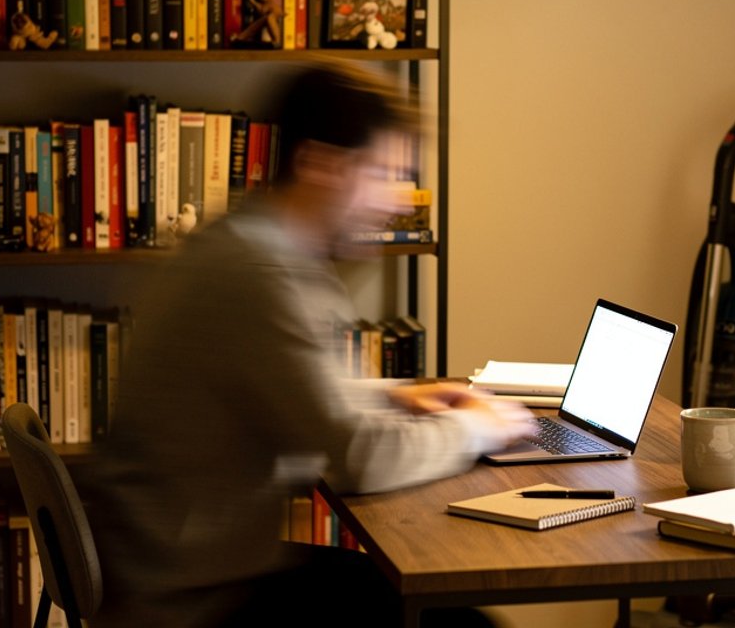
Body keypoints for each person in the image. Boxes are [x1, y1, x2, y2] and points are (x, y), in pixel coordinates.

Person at [85, 63, 534, 627]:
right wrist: (479, 427)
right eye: (379, 173)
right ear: (318, 164)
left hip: (176, 569)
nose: (395, 201)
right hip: (194, 602)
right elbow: (361, 458)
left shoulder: (242, 244)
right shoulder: (261, 274)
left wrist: (397, 395)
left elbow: (288, 390)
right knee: (461, 624)